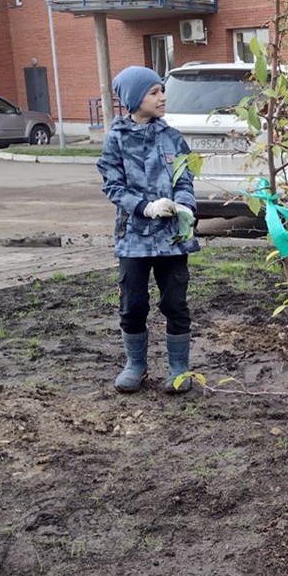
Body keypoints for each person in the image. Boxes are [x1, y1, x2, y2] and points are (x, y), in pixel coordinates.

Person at [98, 66, 199, 394]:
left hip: (171, 239)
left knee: (175, 303)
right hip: (133, 240)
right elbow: (112, 184)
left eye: (162, 91)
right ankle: (135, 365)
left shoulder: (171, 136)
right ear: (133, 98)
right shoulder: (116, 138)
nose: (162, 97)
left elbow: (184, 178)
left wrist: (183, 206)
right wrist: (145, 207)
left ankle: (179, 369)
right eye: (154, 92)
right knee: (133, 304)